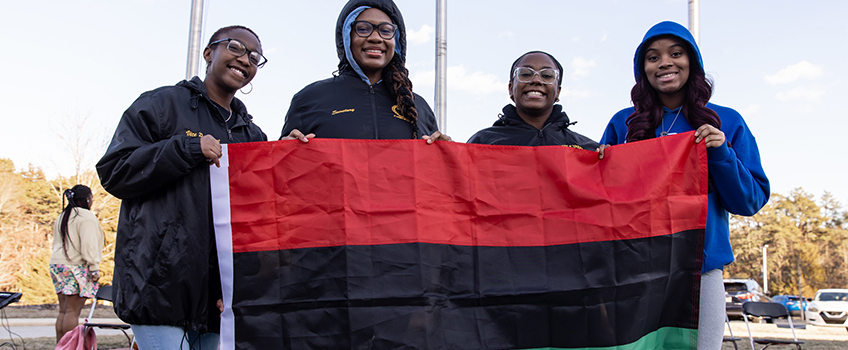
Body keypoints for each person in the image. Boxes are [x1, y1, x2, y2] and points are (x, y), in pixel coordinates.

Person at [598, 21, 770, 348]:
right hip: (636, 273)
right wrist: (602, 167)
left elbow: (750, 201)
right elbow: (602, 203)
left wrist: (721, 153)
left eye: (675, 53)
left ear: (692, 61)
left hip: (699, 272)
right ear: (642, 69)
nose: (664, 62)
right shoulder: (624, 122)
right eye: (652, 57)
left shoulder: (726, 121)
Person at [96, 25, 268, 349]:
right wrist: (185, 149)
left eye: (254, 56)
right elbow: (114, 170)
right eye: (235, 47)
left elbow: (255, 220)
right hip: (158, 289)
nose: (245, 59)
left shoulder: (253, 135)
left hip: (218, 301)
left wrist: (239, 288)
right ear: (208, 53)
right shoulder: (162, 104)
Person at [280, 0, 450, 144]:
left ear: (396, 41)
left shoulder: (418, 107)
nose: (376, 37)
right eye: (363, 28)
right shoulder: (309, 99)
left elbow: (435, 178)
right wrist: (285, 149)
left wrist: (447, 154)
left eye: (385, 30)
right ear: (347, 37)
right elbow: (283, 176)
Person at [467, 51, 599, 149]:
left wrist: (609, 159)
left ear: (558, 91)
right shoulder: (482, 143)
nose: (536, 80)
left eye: (547, 75)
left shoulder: (586, 149)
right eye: (525, 74)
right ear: (511, 88)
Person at [49, 185, 104, 342]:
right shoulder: (86, 217)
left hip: (57, 264)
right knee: (73, 312)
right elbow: (89, 245)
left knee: (64, 311)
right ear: (86, 199)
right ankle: (70, 346)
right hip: (75, 265)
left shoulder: (63, 215)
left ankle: (60, 345)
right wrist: (94, 268)